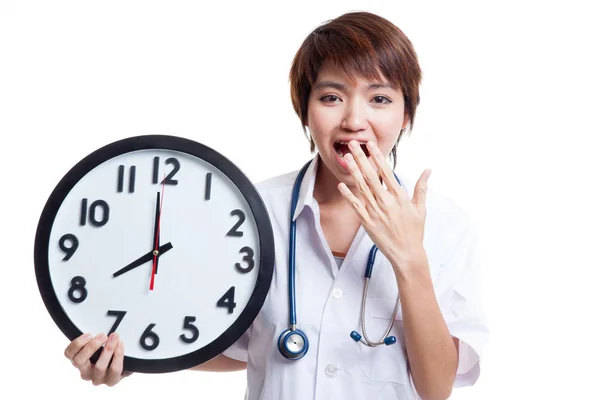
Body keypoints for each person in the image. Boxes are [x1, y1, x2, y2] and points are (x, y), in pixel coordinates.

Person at [63, 10, 488, 399]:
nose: (354, 120)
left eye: (380, 99)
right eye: (331, 97)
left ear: (406, 115)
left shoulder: (446, 226)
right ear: (305, 111)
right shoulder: (249, 211)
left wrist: (410, 259)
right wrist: (133, 355)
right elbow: (226, 343)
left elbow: (437, 387)